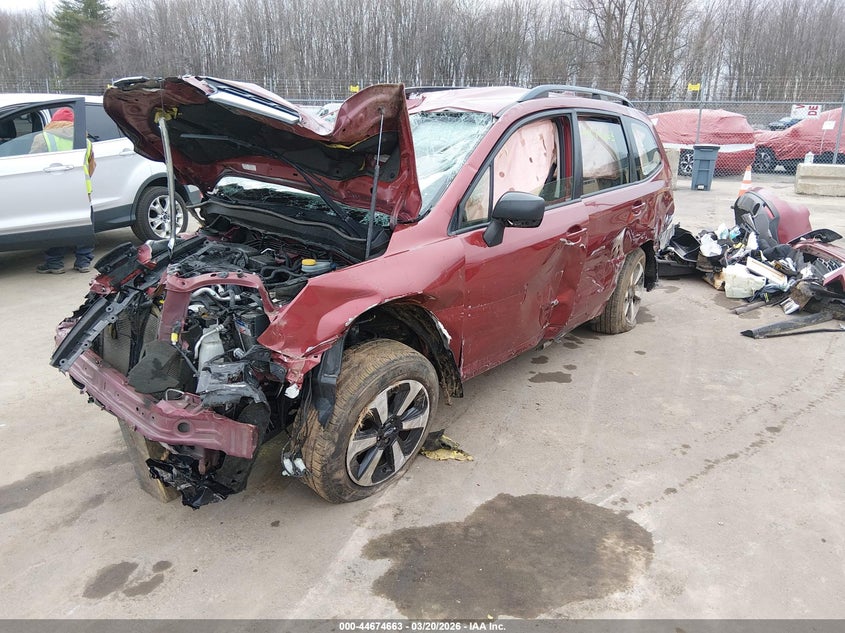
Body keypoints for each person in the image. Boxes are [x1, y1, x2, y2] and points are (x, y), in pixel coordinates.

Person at [34, 107, 97, 274]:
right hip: (82, 190)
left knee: (56, 225)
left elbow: (32, 166)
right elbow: (91, 167)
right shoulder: (87, 141)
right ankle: (83, 262)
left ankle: (55, 263)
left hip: (53, 191)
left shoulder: (43, 138)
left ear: (53, 122)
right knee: (84, 224)